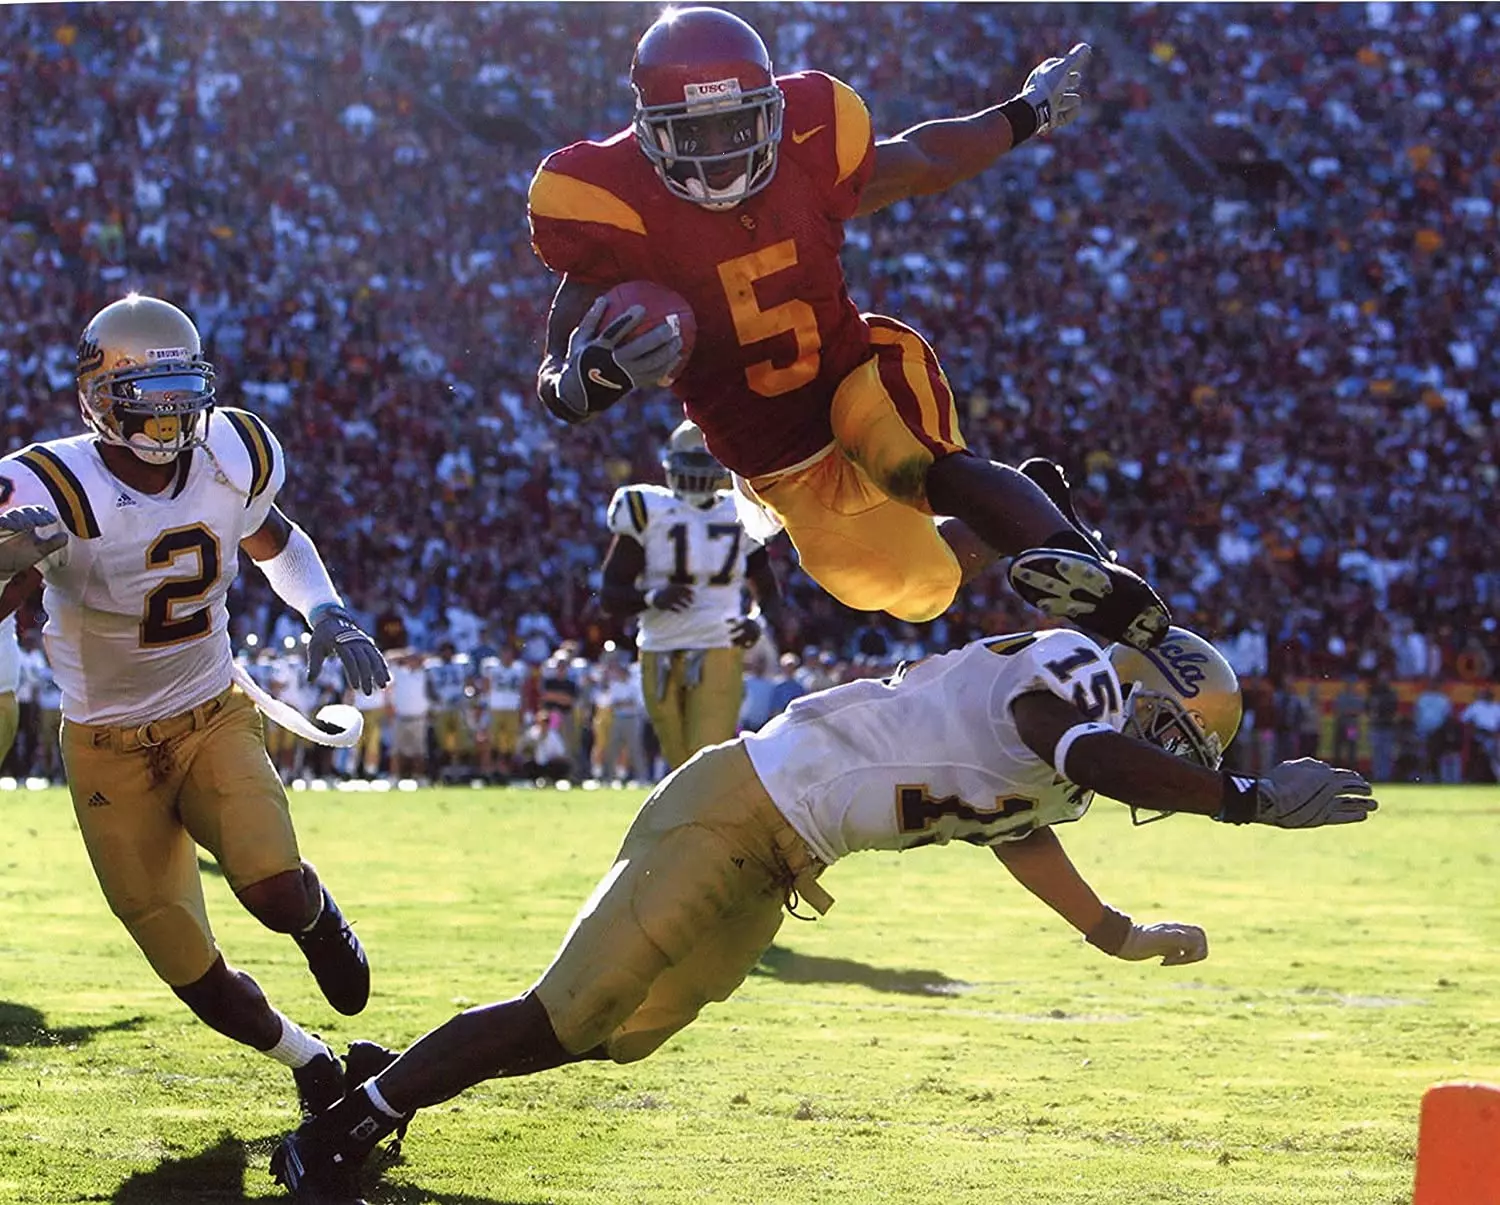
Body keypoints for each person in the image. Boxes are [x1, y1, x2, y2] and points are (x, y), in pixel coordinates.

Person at [271, 626, 1375, 1201]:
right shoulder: (1074, 680)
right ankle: (350, 1122)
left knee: (618, 1032)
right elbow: (1075, 739)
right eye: (1170, 744)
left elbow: (1021, 828)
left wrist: (1115, 930)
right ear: (1142, 696)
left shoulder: (1071, 762)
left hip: (785, 857)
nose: (1164, 773)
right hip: (735, 806)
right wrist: (1241, 800)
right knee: (570, 1008)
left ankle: (399, 1075)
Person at [529, 6, 1170, 653]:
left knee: (913, 461)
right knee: (917, 588)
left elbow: (922, 160)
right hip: (777, 461)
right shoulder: (613, 208)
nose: (721, 156)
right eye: (697, 135)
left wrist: (1027, 112)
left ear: (772, 112)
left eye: (737, 125)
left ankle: (1079, 561)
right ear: (649, 132)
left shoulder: (806, 157)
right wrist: (581, 382)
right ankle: (1035, 502)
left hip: (855, 368)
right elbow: (557, 365)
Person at [0, 294, 393, 1123]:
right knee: (185, 963)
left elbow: (275, 538)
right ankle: (309, 1058)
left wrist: (325, 608)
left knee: (273, 887)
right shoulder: (50, 482)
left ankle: (320, 921)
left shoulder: (235, 448)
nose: (171, 421)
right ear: (101, 399)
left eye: (184, 396)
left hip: (210, 708)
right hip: (103, 742)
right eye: (151, 400)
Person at [601, 420, 783, 768]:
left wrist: (759, 625)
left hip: (718, 643)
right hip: (659, 646)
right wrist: (652, 598)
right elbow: (610, 594)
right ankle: (686, 822)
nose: (697, 475)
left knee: (706, 759)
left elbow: (768, 591)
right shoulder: (646, 509)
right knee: (676, 760)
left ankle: (708, 822)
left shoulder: (740, 511)